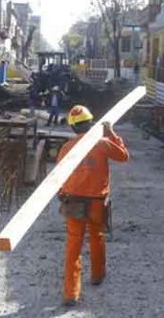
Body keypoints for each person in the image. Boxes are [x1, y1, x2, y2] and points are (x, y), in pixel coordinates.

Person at [57, 105, 129, 306]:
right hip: (97, 201)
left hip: (74, 202)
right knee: (96, 236)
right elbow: (124, 156)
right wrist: (112, 133)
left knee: (73, 245)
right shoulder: (102, 143)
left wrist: (61, 194)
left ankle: (71, 293)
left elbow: (59, 176)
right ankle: (97, 275)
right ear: (91, 124)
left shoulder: (66, 148)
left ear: (72, 127)